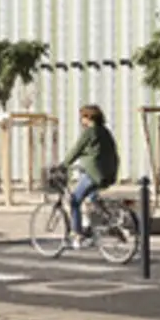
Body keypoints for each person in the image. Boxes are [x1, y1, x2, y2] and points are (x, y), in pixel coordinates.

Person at [61, 104, 120, 248]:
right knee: (92, 200)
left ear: (88, 117)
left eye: (82, 117)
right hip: (109, 172)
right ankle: (96, 227)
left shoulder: (89, 132)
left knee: (74, 200)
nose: (81, 121)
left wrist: (63, 165)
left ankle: (78, 235)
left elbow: (76, 150)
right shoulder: (105, 132)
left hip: (94, 174)